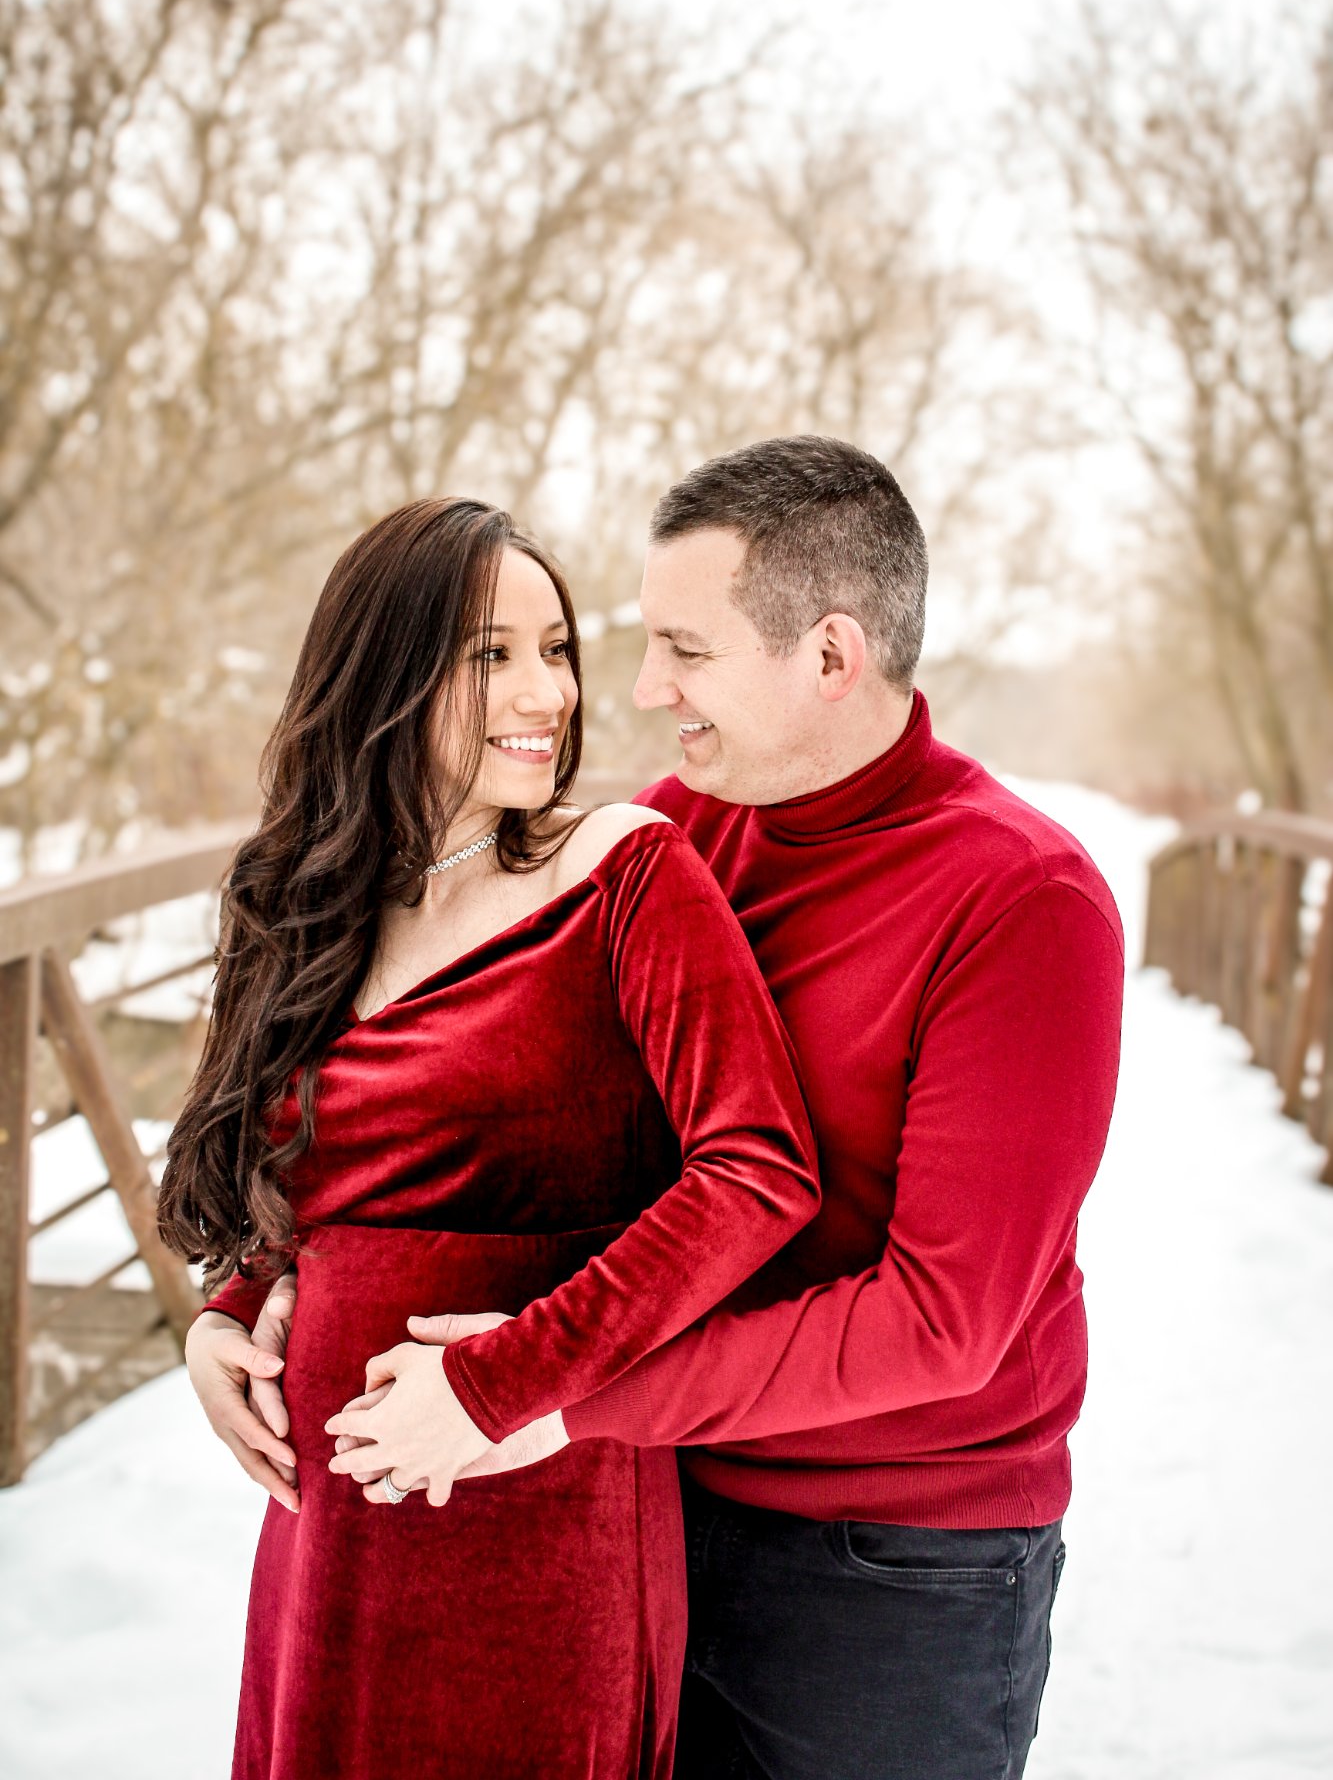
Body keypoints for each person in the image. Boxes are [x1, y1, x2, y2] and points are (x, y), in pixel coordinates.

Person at [194, 437, 1125, 1780]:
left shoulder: (1021, 904)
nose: (636, 690)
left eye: (682, 649)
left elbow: (945, 1321)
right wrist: (252, 1290)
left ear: (829, 656)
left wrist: (550, 1398)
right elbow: (452, 1103)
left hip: (882, 1563)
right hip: (651, 1498)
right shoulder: (672, 833)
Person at [162, 496, 820, 1780]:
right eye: (490, 654)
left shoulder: (627, 871)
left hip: (535, 1510)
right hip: (331, 1532)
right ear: (385, 671)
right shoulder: (308, 901)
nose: (548, 691)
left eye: (557, 647)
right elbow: (316, 1184)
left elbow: (757, 1171)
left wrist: (498, 1380)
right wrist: (225, 1315)